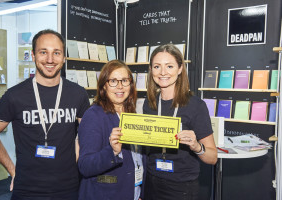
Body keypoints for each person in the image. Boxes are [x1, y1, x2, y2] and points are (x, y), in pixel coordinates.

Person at [0, 29, 90, 200]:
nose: (49, 59)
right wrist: (12, 169)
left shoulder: (78, 94)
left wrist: (73, 160)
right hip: (26, 189)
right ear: (33, 55)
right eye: (43, 52)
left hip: (68, 188)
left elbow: (87, 134)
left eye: (56, 53)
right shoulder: (14, 96)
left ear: (64, 57)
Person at [143, 44, 217, 200]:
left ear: (180, 68)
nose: (163, 72)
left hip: (181, 187)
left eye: (169, 66)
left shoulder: (196, 106)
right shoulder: (149, 104)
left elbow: (212, 157)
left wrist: (196, 146)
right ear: (151, 70)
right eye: (157, 66)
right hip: (151, 182)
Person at [77, 60, 145, 200]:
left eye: (125, 80)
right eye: (113, 81)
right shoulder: (94, 115)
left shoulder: (132, 115)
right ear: (104, 86)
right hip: (105, 195)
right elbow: (85, 165)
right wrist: (112, 151)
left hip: (132, 193)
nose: (120, 86)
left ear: (131, 85)